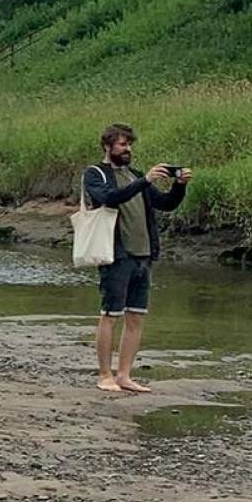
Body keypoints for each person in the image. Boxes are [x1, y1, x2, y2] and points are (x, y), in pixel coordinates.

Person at [84, 124, 190, 393]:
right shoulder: (95, 174)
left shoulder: (135, 175)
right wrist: (145, 181)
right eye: (122, 144)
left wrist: (179, 186)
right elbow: (108, 198)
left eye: (129, 144)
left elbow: (165, 204)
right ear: (108, 147)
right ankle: (105, 374)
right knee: (110, 314)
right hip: (116, 255)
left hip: (144, 256)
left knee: (136, 317)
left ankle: (125, 375)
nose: (127, 149)